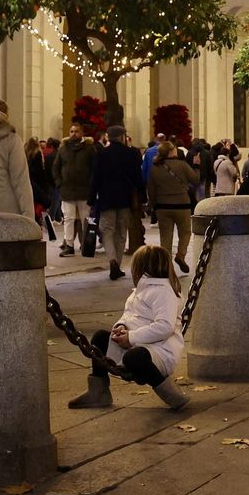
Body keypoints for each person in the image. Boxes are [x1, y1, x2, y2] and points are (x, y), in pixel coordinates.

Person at [66, 245, 191, 410]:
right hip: (135, 343)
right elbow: (129, 315)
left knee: (134, 357)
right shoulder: (140, 290)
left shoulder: (164, 292)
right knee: (100, 338)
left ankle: (171, 394)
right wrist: (121, 326)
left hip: (159, 351)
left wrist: (131, 337)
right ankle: (98, 390)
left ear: (139, 269)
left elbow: (164, 327)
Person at [89, 126, 142, 280]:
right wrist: (142, 198)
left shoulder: (101, 154)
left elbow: (95, 178)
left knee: (107, 230)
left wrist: (91, 199)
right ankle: (117, 265)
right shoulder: (132, 153)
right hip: (125, 198)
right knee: (121, 232)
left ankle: (112, 260)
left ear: (109, 137)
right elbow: (138, 178)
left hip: (106, 198)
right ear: (122, 137)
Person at [148, 141, 198, 273]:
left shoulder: (154, 168)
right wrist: (196, 166)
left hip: (163, 206)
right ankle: (181, 255)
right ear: (170, 151)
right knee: (185, 232)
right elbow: (195, 180)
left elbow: (151, 190)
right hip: (182, 205)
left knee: (165, 237)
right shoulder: (182, 164)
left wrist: (153, 205)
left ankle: (166, 265)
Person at [53, 121, 97, 257]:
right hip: (67, 189)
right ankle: (69, 245)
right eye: (71, 131)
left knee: (85, 219)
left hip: (84, 190)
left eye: (76, 131)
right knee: (68, 219)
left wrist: (91, 185)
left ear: (82, 133)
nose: (73, 134)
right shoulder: (63, 148)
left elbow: (95, 168)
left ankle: (86, 245)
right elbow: (56, 167)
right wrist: (59, 182)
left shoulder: (89, 149)